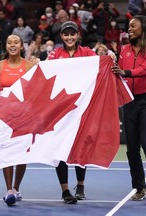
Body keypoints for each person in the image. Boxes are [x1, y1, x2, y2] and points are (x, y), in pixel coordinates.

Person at [111, 15, 146, 205]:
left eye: (133, 26)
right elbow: (116, 73)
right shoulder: (124, 49)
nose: (129, 29)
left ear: (144, 28)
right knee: (132, 148)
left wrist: (124, 72)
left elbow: (145, 69)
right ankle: (140, 187)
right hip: (129, 101)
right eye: (129, 26)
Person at [47, 21, 96, 204]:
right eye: (66, 34)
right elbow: (48, 72)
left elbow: (99, 65)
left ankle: (81, 185)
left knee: (81, 146)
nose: (69, 37)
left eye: (72, 34)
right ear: (61, 36)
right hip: (60, 109)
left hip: (82, 107)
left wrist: (110, 57)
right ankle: (65, 190)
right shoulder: (55, 54)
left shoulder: (87, 53)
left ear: (77, 35)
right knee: (60, 149)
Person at [0, 34, 35, 206]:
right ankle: (9, 190)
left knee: (21, 154)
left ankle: (16, 187)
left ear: (21, 46)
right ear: (6, 46)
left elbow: (34, 91)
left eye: (16, 42)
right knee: (6, 152)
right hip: (4, 116)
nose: (13, 45)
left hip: (24, 116)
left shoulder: (30, 66)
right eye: (9, 42)